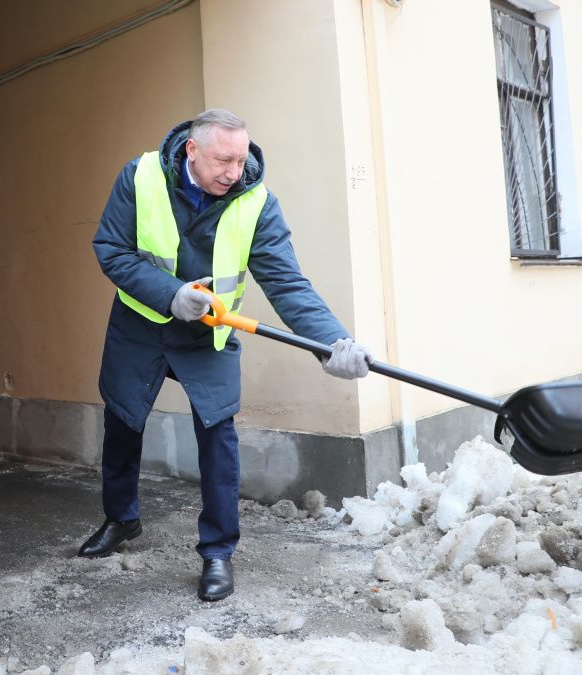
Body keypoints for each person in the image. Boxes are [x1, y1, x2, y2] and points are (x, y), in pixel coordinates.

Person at [82, 109, 373, 602]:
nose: (233, 173)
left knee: (218, 437)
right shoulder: (141, 177)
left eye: (240, 160)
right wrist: (171, 294)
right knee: (123, 422)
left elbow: (287, 283)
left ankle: (218, 552)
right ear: (192, 151)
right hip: (141, 325)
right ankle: (121, 518)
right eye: (223, 160)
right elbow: (111, 248)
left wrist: (333, 345)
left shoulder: (256, 202)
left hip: (209, 336)